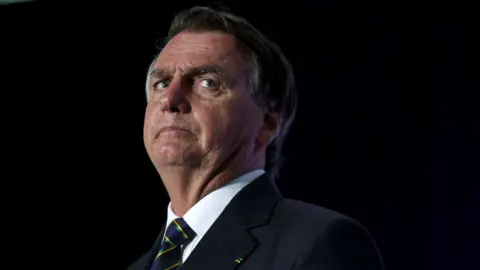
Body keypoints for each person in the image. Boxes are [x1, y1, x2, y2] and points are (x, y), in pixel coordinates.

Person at [129, 6, 384, 270]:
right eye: (161, 83)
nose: (170, 100)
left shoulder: (319, 243)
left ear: (267, 123)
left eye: (207, 82)